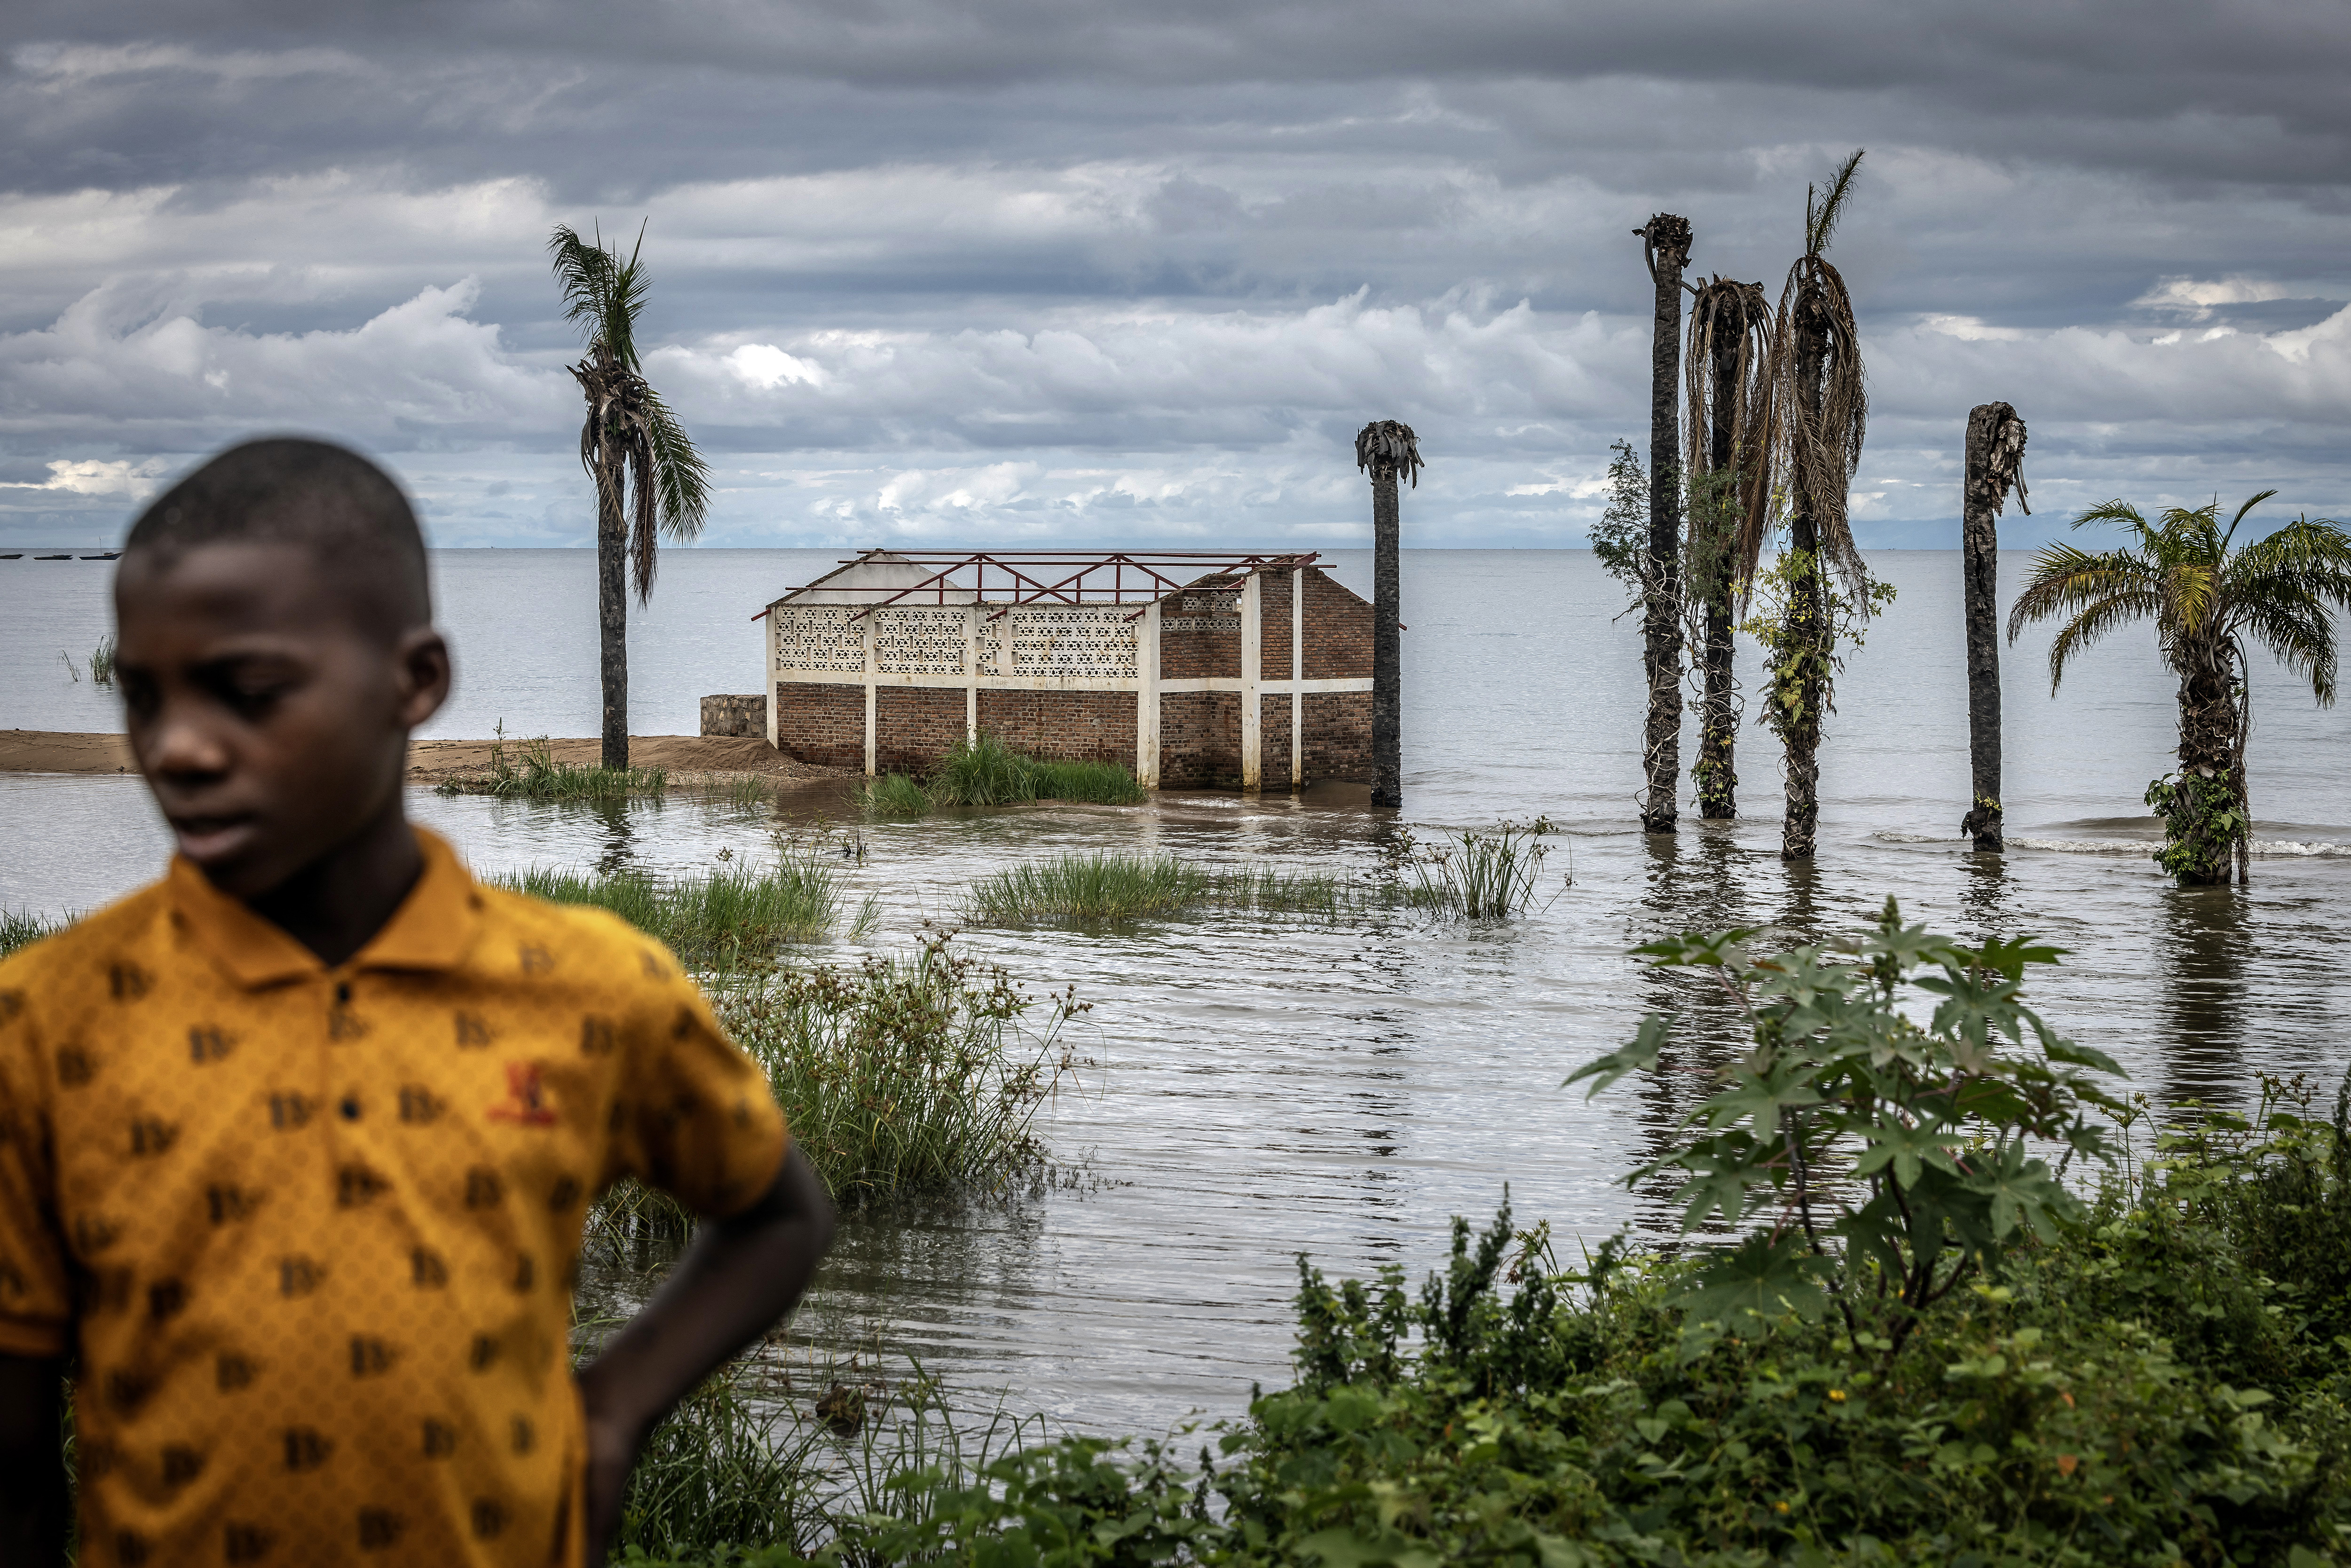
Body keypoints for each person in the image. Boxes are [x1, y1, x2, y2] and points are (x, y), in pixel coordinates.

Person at [0, 437, 835, 1566]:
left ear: (416, 681)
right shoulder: (46, 1023)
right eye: (144, 698)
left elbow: (778, 1211)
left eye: (249, 694)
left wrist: (614, 1411)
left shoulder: (587, 987)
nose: (179, 749)